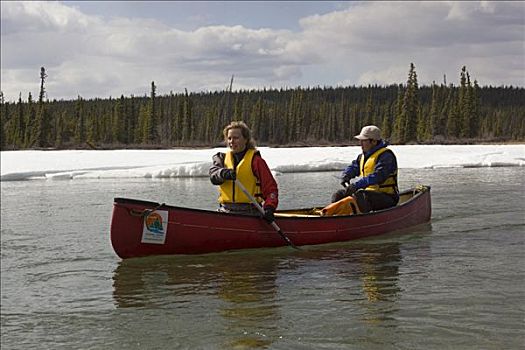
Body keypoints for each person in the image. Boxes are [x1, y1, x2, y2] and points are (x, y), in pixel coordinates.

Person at [209, 121, 278, 223]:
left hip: (250, 212)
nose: (232, 141)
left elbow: (271, 189)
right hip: (225, 211)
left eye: (236, 138)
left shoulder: (256, 161)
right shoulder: (221, 159)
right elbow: (213, 176)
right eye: (229, 138)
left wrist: (269, 208)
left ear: (245, 139)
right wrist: (222, 173)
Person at [331, 125, 399, 213]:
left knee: (361, 195)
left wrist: (356, 185)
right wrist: (346, 175)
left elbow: (378, 176)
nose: (360, 143)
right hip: (370, 194)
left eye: (364, 141)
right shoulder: (363, 156)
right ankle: (333, 215)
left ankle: (361, 220)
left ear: (374, 142)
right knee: (339, 195)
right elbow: (354, 167)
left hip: (388, 197)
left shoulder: (386, 156)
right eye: (360, 140)